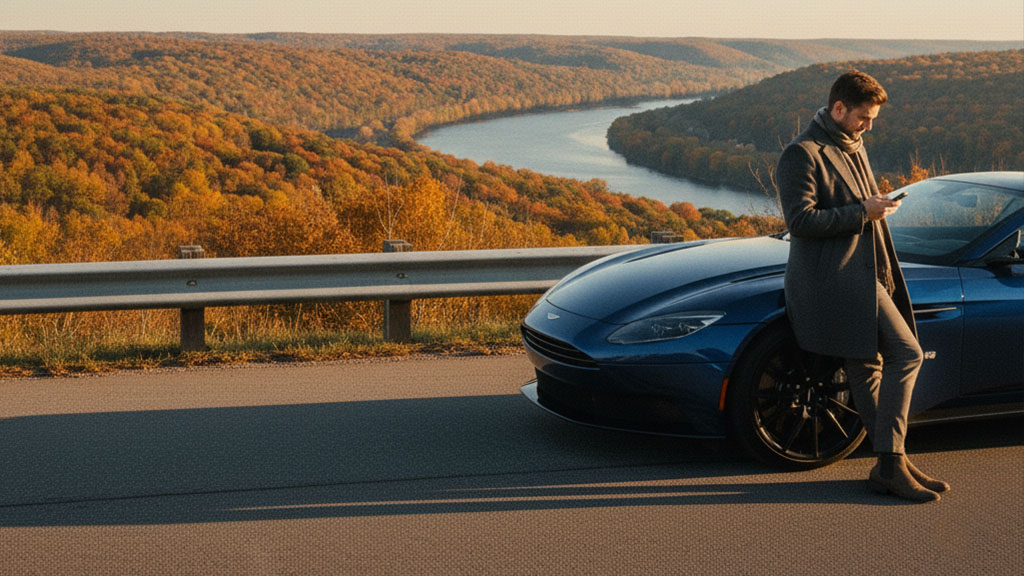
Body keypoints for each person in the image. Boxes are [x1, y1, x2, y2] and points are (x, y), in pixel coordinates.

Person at [776, 69, 950, 502]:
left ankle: (892, 464)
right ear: (838, 108)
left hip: (865, 273)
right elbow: (799, 221)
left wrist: (876, 208)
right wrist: (863, 212)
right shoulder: (803, 153)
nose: (869, 125)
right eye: (864, 117)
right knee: (907, 354)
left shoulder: (852, 145)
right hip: (834, 280)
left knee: (867, 367)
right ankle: (893, 462)